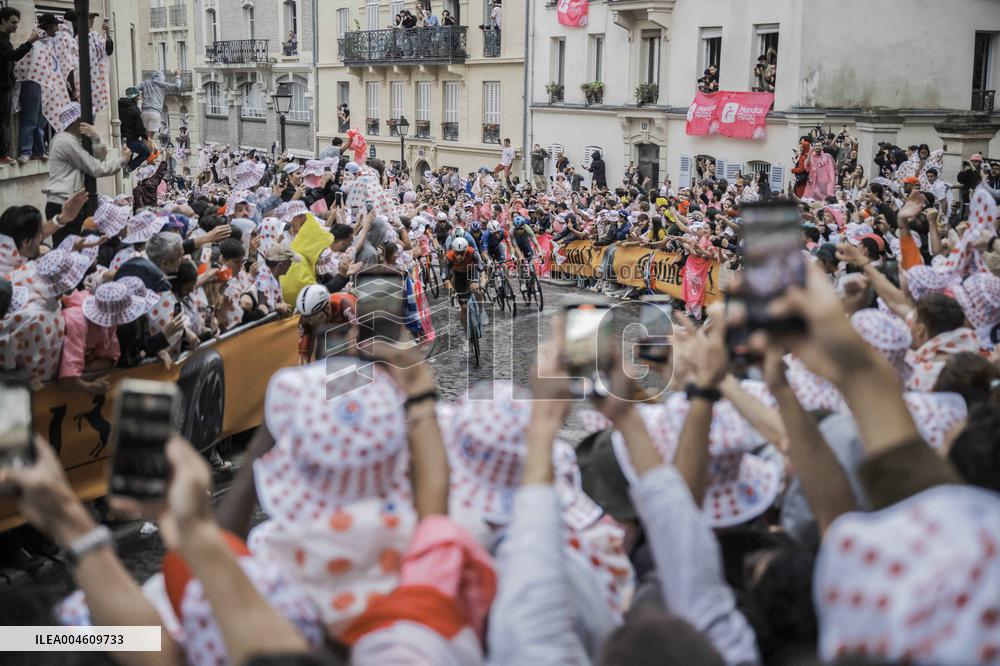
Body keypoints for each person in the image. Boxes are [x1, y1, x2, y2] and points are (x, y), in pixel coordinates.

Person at [42, 102, 130, 244]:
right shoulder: (65, 142)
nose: (92, 121)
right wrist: (122, 161)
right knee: (70, 247)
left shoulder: (74, 140)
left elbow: (100, 156)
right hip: (64, 203)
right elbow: (95, 167)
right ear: (78, 120)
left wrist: (96, 137)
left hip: (71, 202)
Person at [14, 13, 60, 164]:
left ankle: (38, 150)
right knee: (30, 117)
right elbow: (23, 61)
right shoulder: (36, 39)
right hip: (32, 81)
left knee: (41, 118)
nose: (57, 29)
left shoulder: (50, 43)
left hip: (46, 83)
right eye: (55, 26)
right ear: (49, 25)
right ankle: (26, 151)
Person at [0, 7, 43, 165]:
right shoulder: (2, 40)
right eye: (13, 22)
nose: (16, 26)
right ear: (3, 20)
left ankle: (3, 154)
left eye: (17, 23)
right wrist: (29, 42)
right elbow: (13, 56)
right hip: (2, 86)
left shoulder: (5, 39)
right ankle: (3, 154)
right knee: (2, 121)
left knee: (4, 120)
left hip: (5, 85)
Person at [139, 69, 182, 140]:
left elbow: (135, 88)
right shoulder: (162, 85)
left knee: (145, 136)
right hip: (155, 112)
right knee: (149, 137)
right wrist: (178, 75)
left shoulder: (145, 83)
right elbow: (177, 86)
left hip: (144, 112)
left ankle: (145, 150)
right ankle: (148, 151)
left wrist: (139, 97)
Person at [119, 86, 152, 172]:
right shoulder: (135, 109)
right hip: (131, 139)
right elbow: (139, 128)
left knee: (129, 153)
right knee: (146, 153)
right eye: (138, 97)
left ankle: (126, 167)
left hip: (121, 137)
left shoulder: (120, 105)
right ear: (135, 97)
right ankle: (128, 168)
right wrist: (146, 137)